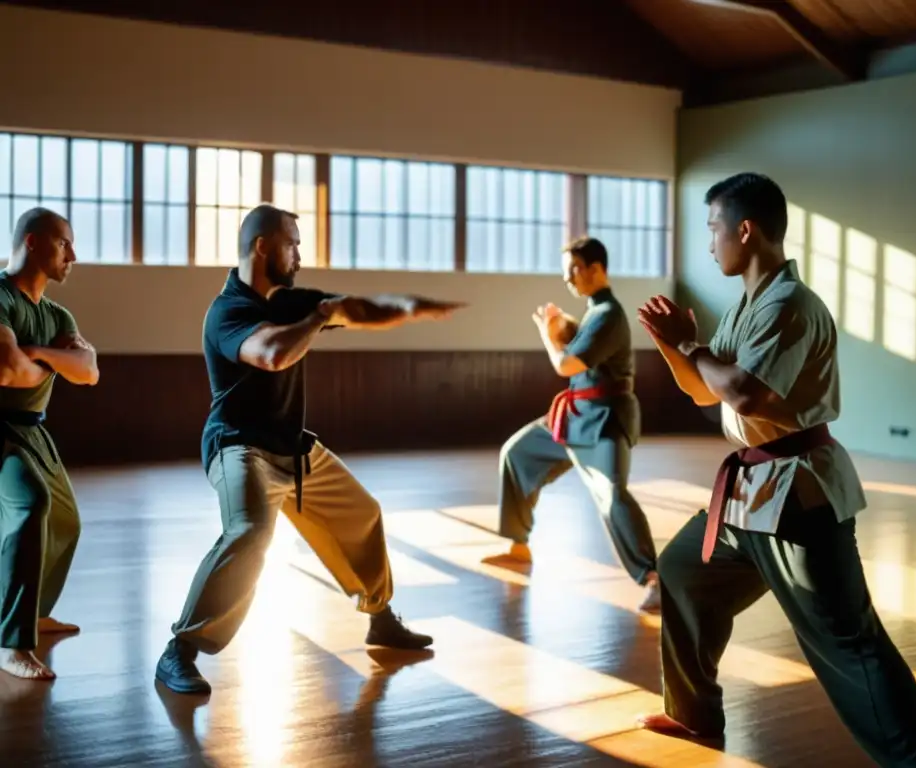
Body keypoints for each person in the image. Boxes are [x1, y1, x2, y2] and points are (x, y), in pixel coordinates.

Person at [635, 173, 916, 766]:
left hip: (798, 495)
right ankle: (692, 714)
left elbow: (742, 394)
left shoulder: (790, 305)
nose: (709, 243)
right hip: (750, 492)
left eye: (714, 229)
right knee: (684, 571)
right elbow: (702, 392)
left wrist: (692, 348)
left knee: (848, 644)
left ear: (746, 229)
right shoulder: (748, 303)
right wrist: (673, 343)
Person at [155, 203, 466, 695]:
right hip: (239, 448)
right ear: (263, 247)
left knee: (362, 514)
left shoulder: (291, 301)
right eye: (292, 243)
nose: (299, 254)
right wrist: (317, 319)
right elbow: (274, 354)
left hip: (291, 449)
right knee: (250, 533)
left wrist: (413, 307)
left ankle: (380, 618)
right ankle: (181, 650)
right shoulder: (227, 311)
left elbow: (354, 307)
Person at [487, 236, 660, 613]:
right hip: (574, 415)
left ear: (596, 268)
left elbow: (566, 365)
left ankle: (653, 577)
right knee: (517, 453)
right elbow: (581, 350)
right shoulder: (594, 312)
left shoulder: (609, 314)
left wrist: (547, 337)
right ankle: (518, 544)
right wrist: (561, 325)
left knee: (612, 495)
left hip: (604, 420)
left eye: (573, 270)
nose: (567, 278)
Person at [0, 208, 98, 681]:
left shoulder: (57, 314)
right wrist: (56, 360)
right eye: (64, 244)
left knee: (67, 520)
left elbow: (89, 370)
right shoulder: (0, 297)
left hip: (34, 428)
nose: (72, 256)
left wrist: (35, 352)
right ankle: (11, 642)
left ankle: (34, 612)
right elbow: (5, 371)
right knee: (29, 505)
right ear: (34, 242)